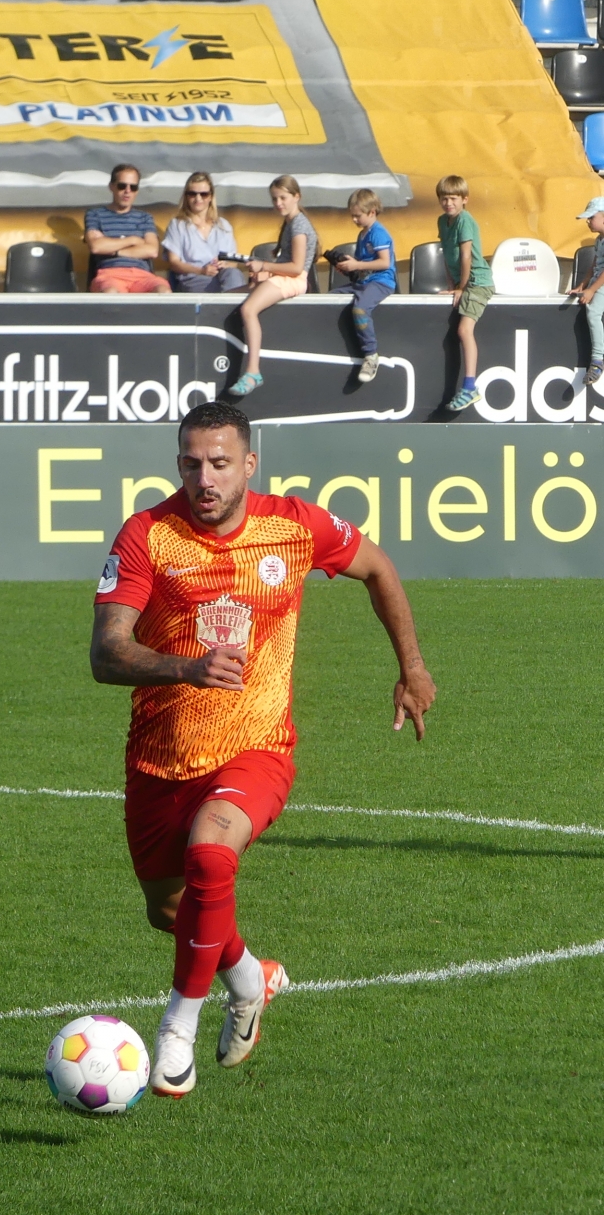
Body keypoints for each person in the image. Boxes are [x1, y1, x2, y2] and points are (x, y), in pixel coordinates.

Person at [89, 400, 435, 1098]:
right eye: (192, 464)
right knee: (170, 911)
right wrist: (185, 667)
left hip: (259, 746)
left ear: (249, 463)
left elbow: (378, 568)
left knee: (212, 851)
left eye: (220, 463)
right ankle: (249, 978)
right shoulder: (147, 536)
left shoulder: (294, 526)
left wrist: (413, 667)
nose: (205, 479)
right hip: (161, 757)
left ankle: (177, 1030)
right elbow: (106, 653)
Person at [225, 176, 318, 398]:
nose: (278, 203)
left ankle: (253, 372)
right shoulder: (290, 223)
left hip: (294, 280)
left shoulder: (299, 225)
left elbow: (296, 268)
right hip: (284, 277)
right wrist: (265, 272)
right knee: (230, 295)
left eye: (283, 198)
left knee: (249, 309)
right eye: (275, 199)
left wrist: (264, 266)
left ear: (297, 197)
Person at [437, 175, 494, 412]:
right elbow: (447, 255)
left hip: (478, 282)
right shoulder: (442, 221)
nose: (448, 203)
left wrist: (462, 288)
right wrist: (452, 284)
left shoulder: (465, 220)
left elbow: (466, 256)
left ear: (464, 199)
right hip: (461, 282)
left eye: (453, 198)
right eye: (444, 198)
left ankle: (470, 387)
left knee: (464, 330)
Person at [330, 188, 396, 384]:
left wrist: (357, 265)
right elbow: (363, 265)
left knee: (360, 309)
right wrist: (349, 267)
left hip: (381, 282)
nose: (354, 220)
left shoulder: (378, 233)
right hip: (362, 282)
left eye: (357, 216)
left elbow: (384, 263)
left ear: (372, 212)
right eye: (352, 215)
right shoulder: (362, 234)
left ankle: (371, 355)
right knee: (330, 298)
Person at [85, 165, 169, 294]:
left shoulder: (145, 217)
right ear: (111, 186)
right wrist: (133, 240)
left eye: (133, 187)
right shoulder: (95, 215)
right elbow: (96, 247)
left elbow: (152, 251)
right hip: (109, 275)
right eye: (122, 186)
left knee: (163, 291)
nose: (127, 191)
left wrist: (114, 250)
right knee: (111, 292)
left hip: (142, 276)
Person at [162, 172, 241, 293]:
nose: (198, 199)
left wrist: (225, 265)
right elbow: (174, 263)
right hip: (194, 278)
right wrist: (202, 271)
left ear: (210, 197)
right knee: (229, 285)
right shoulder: (177, 225)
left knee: (233, 274)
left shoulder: (224, 226)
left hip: (223, 276)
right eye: (192, 194)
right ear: (186, 197)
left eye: (203, 194)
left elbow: (233, 262)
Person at [569, 197, 604, 387]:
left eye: (591, 217)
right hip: (598, 284)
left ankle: (597, 360)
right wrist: (582, 285)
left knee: (593, 312)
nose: (588, 221)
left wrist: (591, 290)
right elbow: (594, 265)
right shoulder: (599, 240)